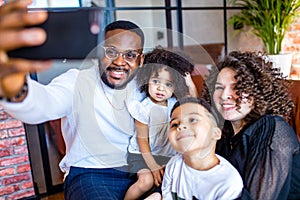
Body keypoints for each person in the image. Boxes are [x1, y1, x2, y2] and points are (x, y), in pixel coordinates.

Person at [0, 1, 147, 199]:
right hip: (90, 173)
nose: (119, 62)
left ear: (140, 60)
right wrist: (15, 88)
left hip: (141, 172)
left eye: (130, 55)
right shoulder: (76, 80)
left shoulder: (149, 87)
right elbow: (43, 105)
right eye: (110, 52)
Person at [206, 51, 300, 199]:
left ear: (257, 91)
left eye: (237, 86)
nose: (225, 96)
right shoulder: (222, 132)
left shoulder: (272, 128)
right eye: (219, 87)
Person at [124, 47, 195, 200]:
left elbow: (194, 105)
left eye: (168, 84)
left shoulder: (174, 105)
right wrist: (153, 165)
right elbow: (142, 141)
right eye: (156, 81)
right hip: (141, 155)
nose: (161, 88)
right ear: (147, 79)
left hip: (165, 155)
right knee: (146, 181)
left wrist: (190, 85)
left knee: (171, 182)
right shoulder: (144, 108)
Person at [162, 96, 243, 199]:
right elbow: (166, 194)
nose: (181, 126)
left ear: (215, 133)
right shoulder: (174, 164)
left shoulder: (229, 184)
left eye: (192, 120)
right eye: (174, 124)